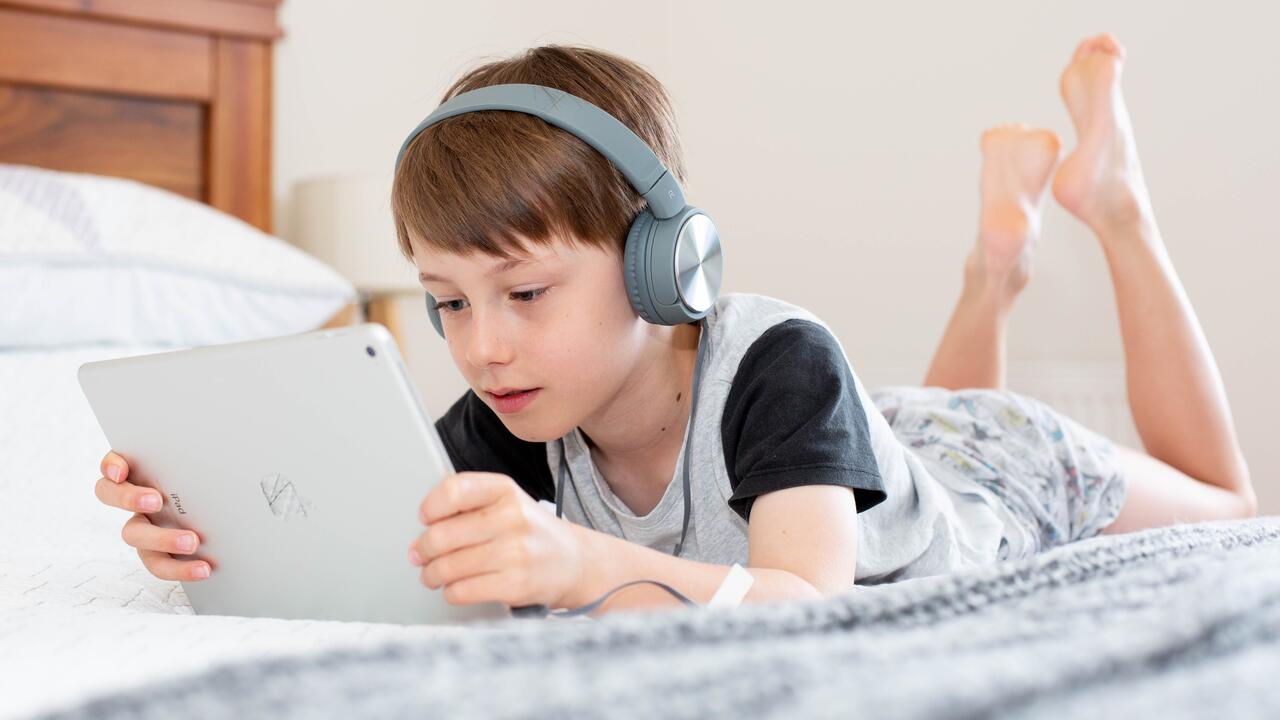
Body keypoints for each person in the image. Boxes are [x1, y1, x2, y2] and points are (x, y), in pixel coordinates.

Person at [93, 34, 1257, 617]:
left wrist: (588, 562)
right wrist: (206, 541)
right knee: (912, 435)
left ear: (664, 267)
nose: (481, 345)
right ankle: (995, 264)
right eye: (447, 301)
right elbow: (389, 569)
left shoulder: (782, 359)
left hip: (992, 477)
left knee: (1228, 502)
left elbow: (801, 603)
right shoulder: (505, 411)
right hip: (879, 452)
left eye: (525, 293)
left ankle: (1113, 208)